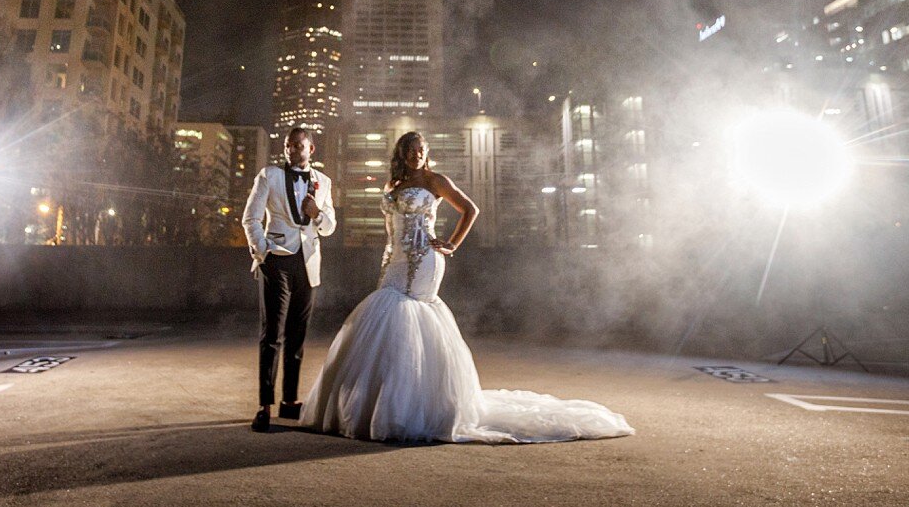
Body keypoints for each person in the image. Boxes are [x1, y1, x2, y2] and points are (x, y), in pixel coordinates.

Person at [299, 131, 633, 443]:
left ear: (426, 154)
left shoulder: (435, 180)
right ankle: (376, 404)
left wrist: (452, 243)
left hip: (424, 258)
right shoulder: (394, 182)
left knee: (406, 316)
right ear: (401, 154)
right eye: (411, 151)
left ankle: (412, 407)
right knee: (383, 313)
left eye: (421, 150)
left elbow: (470, 209)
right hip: (393, 258)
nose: (417, 155)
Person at [241, 125, 336, 432]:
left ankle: (290, 402)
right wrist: (263, 252)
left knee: (297, 337)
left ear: (311, 150)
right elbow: (250, 218)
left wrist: (316, 213)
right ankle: (264, 405)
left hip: (308, 263)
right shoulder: (268, 176)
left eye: (299, 145)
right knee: (272, 335)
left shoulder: (324, 182)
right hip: (277, 261)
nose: (292, 150)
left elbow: (330, 226)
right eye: (288, 146)